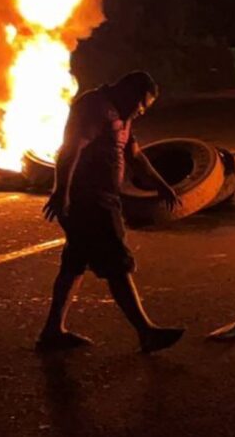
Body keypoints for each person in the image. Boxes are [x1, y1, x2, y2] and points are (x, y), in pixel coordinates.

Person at [37, 70, 184, 353]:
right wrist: (61, 192)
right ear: (129, 92)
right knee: (116, 262)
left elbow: (135, 156)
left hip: (104, 197)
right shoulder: (95, 108)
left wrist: (162, 185)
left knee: (74, 263)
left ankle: (52, 331)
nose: (141, 112)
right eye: (141, 105)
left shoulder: (123, 115)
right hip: (89, 200)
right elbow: (70, 150)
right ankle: (146, 332)